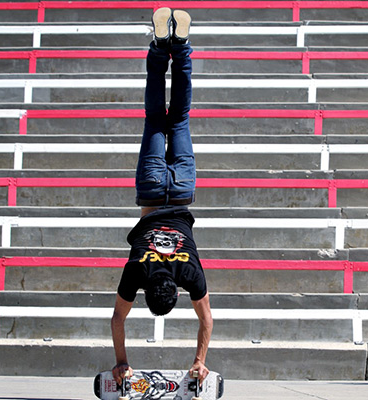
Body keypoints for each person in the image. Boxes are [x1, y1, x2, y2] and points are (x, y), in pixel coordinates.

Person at [110, 7, 213, 386]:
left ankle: (182, 47)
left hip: (182, 190)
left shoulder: (190, 272)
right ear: (148, 289)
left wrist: (200, 359)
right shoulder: (136, 270)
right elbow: (118, 319)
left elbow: (206, 320)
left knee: (180, 116)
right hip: (153, 192)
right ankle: (160, 46)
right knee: (157, 117)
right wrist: (121, 360)